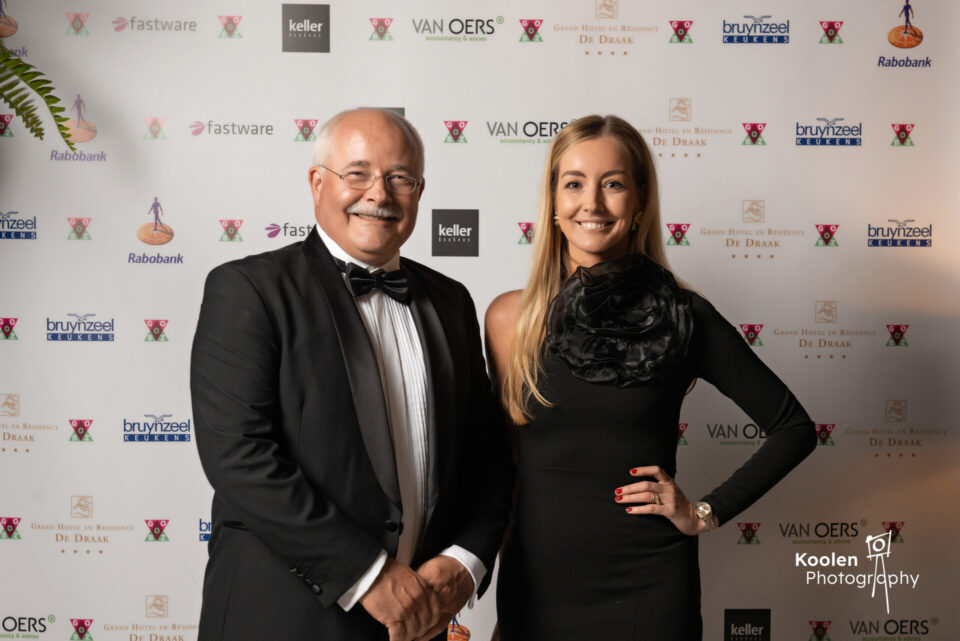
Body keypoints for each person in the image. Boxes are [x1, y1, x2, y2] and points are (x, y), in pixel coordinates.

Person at [485, 115, 816, 640]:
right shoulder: (508, 320)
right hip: (537, 585)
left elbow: (793, 428)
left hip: (649, 586)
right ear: (552, 201)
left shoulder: (685, 317)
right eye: (574, 184)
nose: (592, 203)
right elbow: (504, 468)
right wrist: (495, 590)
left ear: (640, 201)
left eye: (613, 184)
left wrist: (704, 512)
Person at [191, 108, 514, 641]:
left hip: (419, 621)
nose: (379, 193)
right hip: (282, 621)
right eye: (357, 173)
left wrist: (465, 560)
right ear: (318, 182)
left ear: (419, 191)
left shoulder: (451, 301)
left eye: (400, 177)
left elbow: (488, 456)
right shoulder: (248, 289)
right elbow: (239, 457)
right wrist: (370, 575)